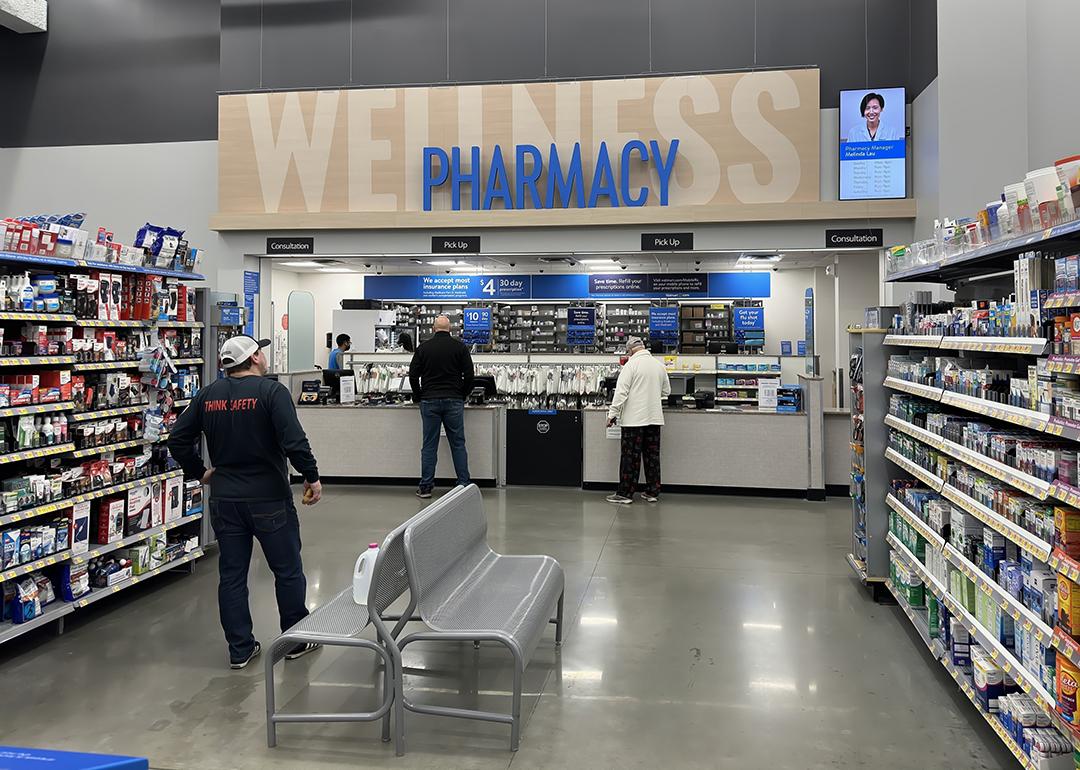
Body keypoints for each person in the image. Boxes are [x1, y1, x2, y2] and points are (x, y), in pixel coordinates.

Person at [167, 335, 323, 670]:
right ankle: (295, 640)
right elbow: (294, 441)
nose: (264, 356)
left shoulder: (208, 395)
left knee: (232, 575)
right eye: (261, 351)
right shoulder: (272, 392)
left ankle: (240, 648)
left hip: (224, 500)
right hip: (269, 498)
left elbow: (178, 439)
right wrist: (311, 476)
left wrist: (201, 473)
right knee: (287, 570)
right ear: (254, 358)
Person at [408, 315, 474, 499]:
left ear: (433, 328)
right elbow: (470, 375)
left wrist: (418, 395)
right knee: (458, 443)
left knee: (429, 445)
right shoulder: (460, 347)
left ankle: (426, 487)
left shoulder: (423, 348)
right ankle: (463, 484)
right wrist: (463, 394)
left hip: (429, 400)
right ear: (450, 329)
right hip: (454, 400)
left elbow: (413, 375)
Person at [605, 337, 671, 505]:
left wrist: (612, 414)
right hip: (654, 419)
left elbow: (621, 393)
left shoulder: (630, 366)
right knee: (652, 457)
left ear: (630, 351)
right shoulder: (659, 366)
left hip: (633, 420)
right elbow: (666, 392)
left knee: (630, 457)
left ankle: (625, 494)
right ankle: (652, 491)